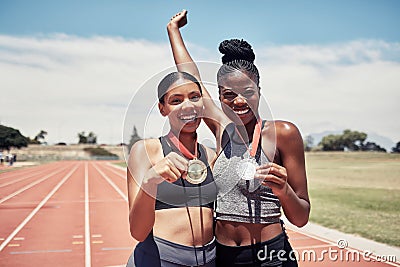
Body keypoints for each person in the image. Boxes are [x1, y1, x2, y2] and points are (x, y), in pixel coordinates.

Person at [167, 10, 310, 266]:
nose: (239, 101)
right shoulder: (224, 131)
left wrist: (283, 190)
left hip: (269, 256)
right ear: (220, 97)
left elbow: (301, 217)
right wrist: (173, 31)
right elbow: (192, 79)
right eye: (229, 94)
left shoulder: (283, 134)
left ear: (259, 91)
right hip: (223, 257)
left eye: (248, 91)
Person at [127, 71, 218, 266]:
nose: (188, 106)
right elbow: (137, 232)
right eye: (176, 100)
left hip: (210, 259)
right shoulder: (146, 150)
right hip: (159, 259)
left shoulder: (211, 156)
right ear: (162, 109)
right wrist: (150, 182)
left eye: (194, 97)